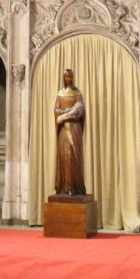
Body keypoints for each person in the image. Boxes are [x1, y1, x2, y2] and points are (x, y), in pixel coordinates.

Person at [54, 67, 86, 195]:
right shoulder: (60, 93)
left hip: (75, 128)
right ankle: (65, 186)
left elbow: (81, 111)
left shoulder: (77, 93)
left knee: (74, 156)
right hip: (64, 129)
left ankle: (76, 186)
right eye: (66, 76)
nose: (68, 79)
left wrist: (73, 115)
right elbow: (56, 110)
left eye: (70, 76)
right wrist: (65, 112)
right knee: (64, 155)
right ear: (63, 78)